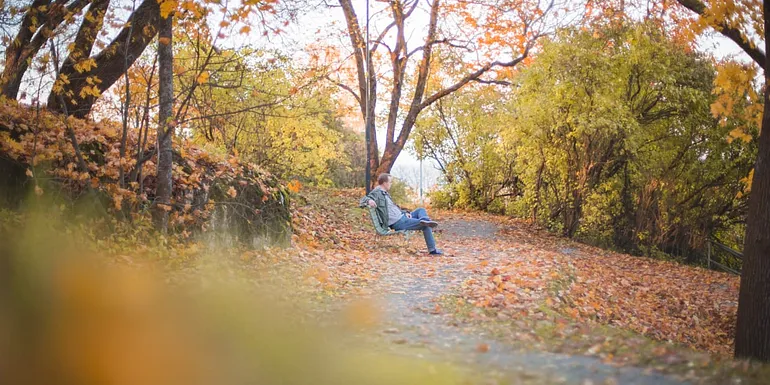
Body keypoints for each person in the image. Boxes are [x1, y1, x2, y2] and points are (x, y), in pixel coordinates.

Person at [359, 173, 443, 255]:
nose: (391, 184)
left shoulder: (385, 194)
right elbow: (363, 199)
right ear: (384, 183)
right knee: (426, 225)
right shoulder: (377, 193)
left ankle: (425, 220)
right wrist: (369, 201)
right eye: (390, 182)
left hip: (402, 217)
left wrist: (405, 213)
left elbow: (393, 209)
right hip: (398, 222)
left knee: (421, 210)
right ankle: (432, 249)